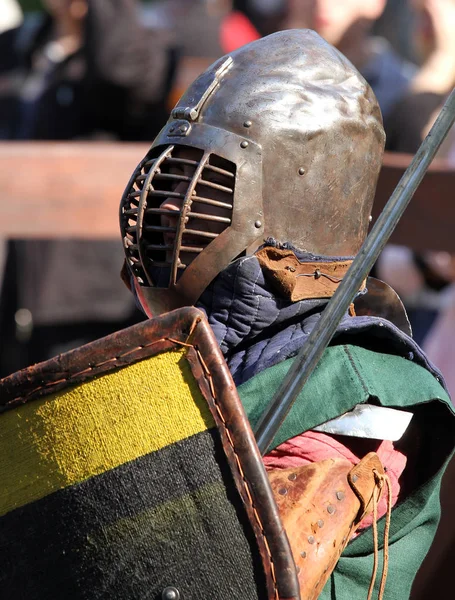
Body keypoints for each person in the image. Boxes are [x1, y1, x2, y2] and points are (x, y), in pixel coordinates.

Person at [120, 30, 455, 598]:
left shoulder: (356, 388)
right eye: (168, 176)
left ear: (285, 200)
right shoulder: (196, 343)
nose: (169, 202)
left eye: (199, 182)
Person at [0, 0, 177, 376]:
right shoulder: (18, 47)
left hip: (92, 311)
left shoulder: (139, 47)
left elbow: (123, 74)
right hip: (15, 301)